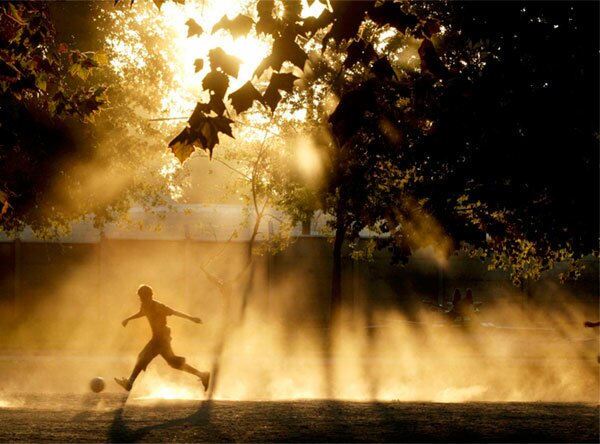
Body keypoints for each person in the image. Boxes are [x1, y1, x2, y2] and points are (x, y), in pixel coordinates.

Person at [115, 284, 210, 392]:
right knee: (173, 362)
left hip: (161, 338)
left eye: (142, 297)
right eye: (140, 297)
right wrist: (128, 319)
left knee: (142, 357)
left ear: (149, 296)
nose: (141, 300)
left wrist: (191, 318)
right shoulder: (145, 305)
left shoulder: (159, 306)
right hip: (159, 338)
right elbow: (142, 313)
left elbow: (174, 312)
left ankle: (129, 383)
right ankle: (202, 375)